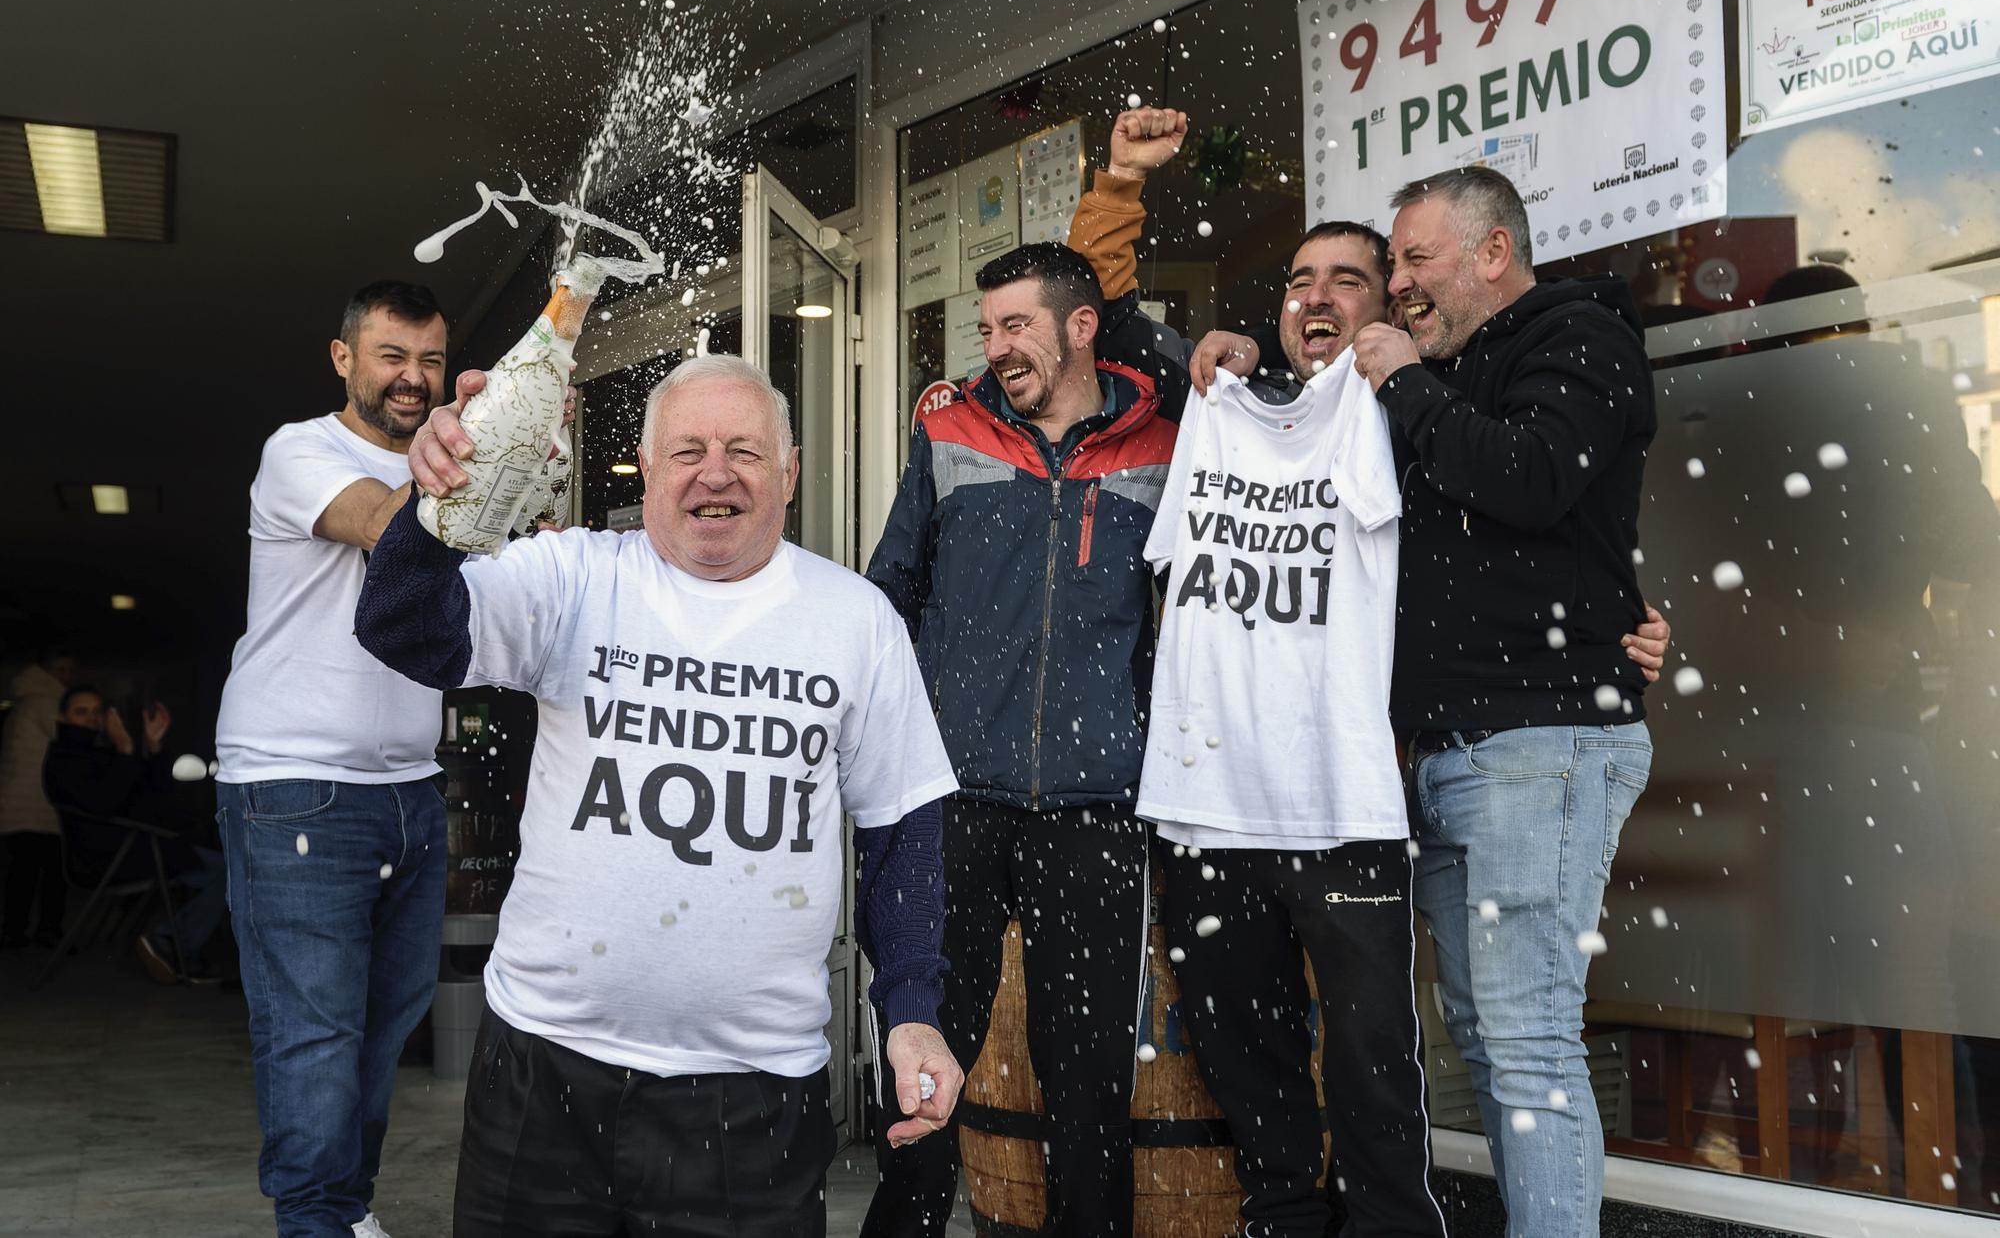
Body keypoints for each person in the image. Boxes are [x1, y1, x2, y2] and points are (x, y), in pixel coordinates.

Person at [1082, 118, 1668, 1238]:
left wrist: (1616, 622)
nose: (1387, 290)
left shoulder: (1495, 366)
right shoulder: (1287, 391)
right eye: (1370, 272)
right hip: (1395, 766)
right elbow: (1134, 326)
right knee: (1483, 1036)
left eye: (1396, 266)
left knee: (1503, 1036)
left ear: (1486, 255)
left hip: (1474, 756)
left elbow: (1541, 483)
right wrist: (1137, 212)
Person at [360, 353, 964, 1236]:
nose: (714, 473)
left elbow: (901, 828)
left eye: (744, 451)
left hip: (752, 1099)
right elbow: (401, 625)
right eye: (686, 450)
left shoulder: (856, 620)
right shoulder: (572, 577)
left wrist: (910, 1012)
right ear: (645, 471)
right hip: (541, 1071)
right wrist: (444, 505)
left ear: (790, 472)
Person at [862, 240, 1180, 1238]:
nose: (994, 346)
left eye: (1015, 326)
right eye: (985, 327)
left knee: (1084, 1079)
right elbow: (886, 601)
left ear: (1080, 327)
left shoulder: (1166, 446)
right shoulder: (948, 432)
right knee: (923, 1066)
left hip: (1096, 807)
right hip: (951, 801)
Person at [212, 279, 451, 1238]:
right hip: (294, 786)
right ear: (344, 356)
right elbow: (388, 528)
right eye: (392, 355)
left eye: (430, 360)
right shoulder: (299, 450)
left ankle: (345, 1213)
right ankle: (314, 1222)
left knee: (383, 1030)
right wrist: (486, 448)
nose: (413, 378)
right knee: (316, 1036)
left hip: (411, 791)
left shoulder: (439, 463)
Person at [41, 685, 229, 983]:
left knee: (221, 865)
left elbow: (155, 803)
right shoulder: (64, 759)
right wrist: (127, 752)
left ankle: (173, 944)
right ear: (62, 717)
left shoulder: (103, 752)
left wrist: (154, 748)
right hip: (108, 857)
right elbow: (104, 804)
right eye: (81, 712)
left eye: (97, 712)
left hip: (138, 847)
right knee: (224, 872)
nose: (91, 718)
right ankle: (168, 942)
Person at [0, 644, 73, 948]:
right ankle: (44, 930)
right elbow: (68, 739)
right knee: (50, 871)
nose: (67, 676)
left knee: (25, 872)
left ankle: (16, 931)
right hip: (36, 805)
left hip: (21, 805)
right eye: (62, 670)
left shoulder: (26, 701)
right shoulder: (46, 703)